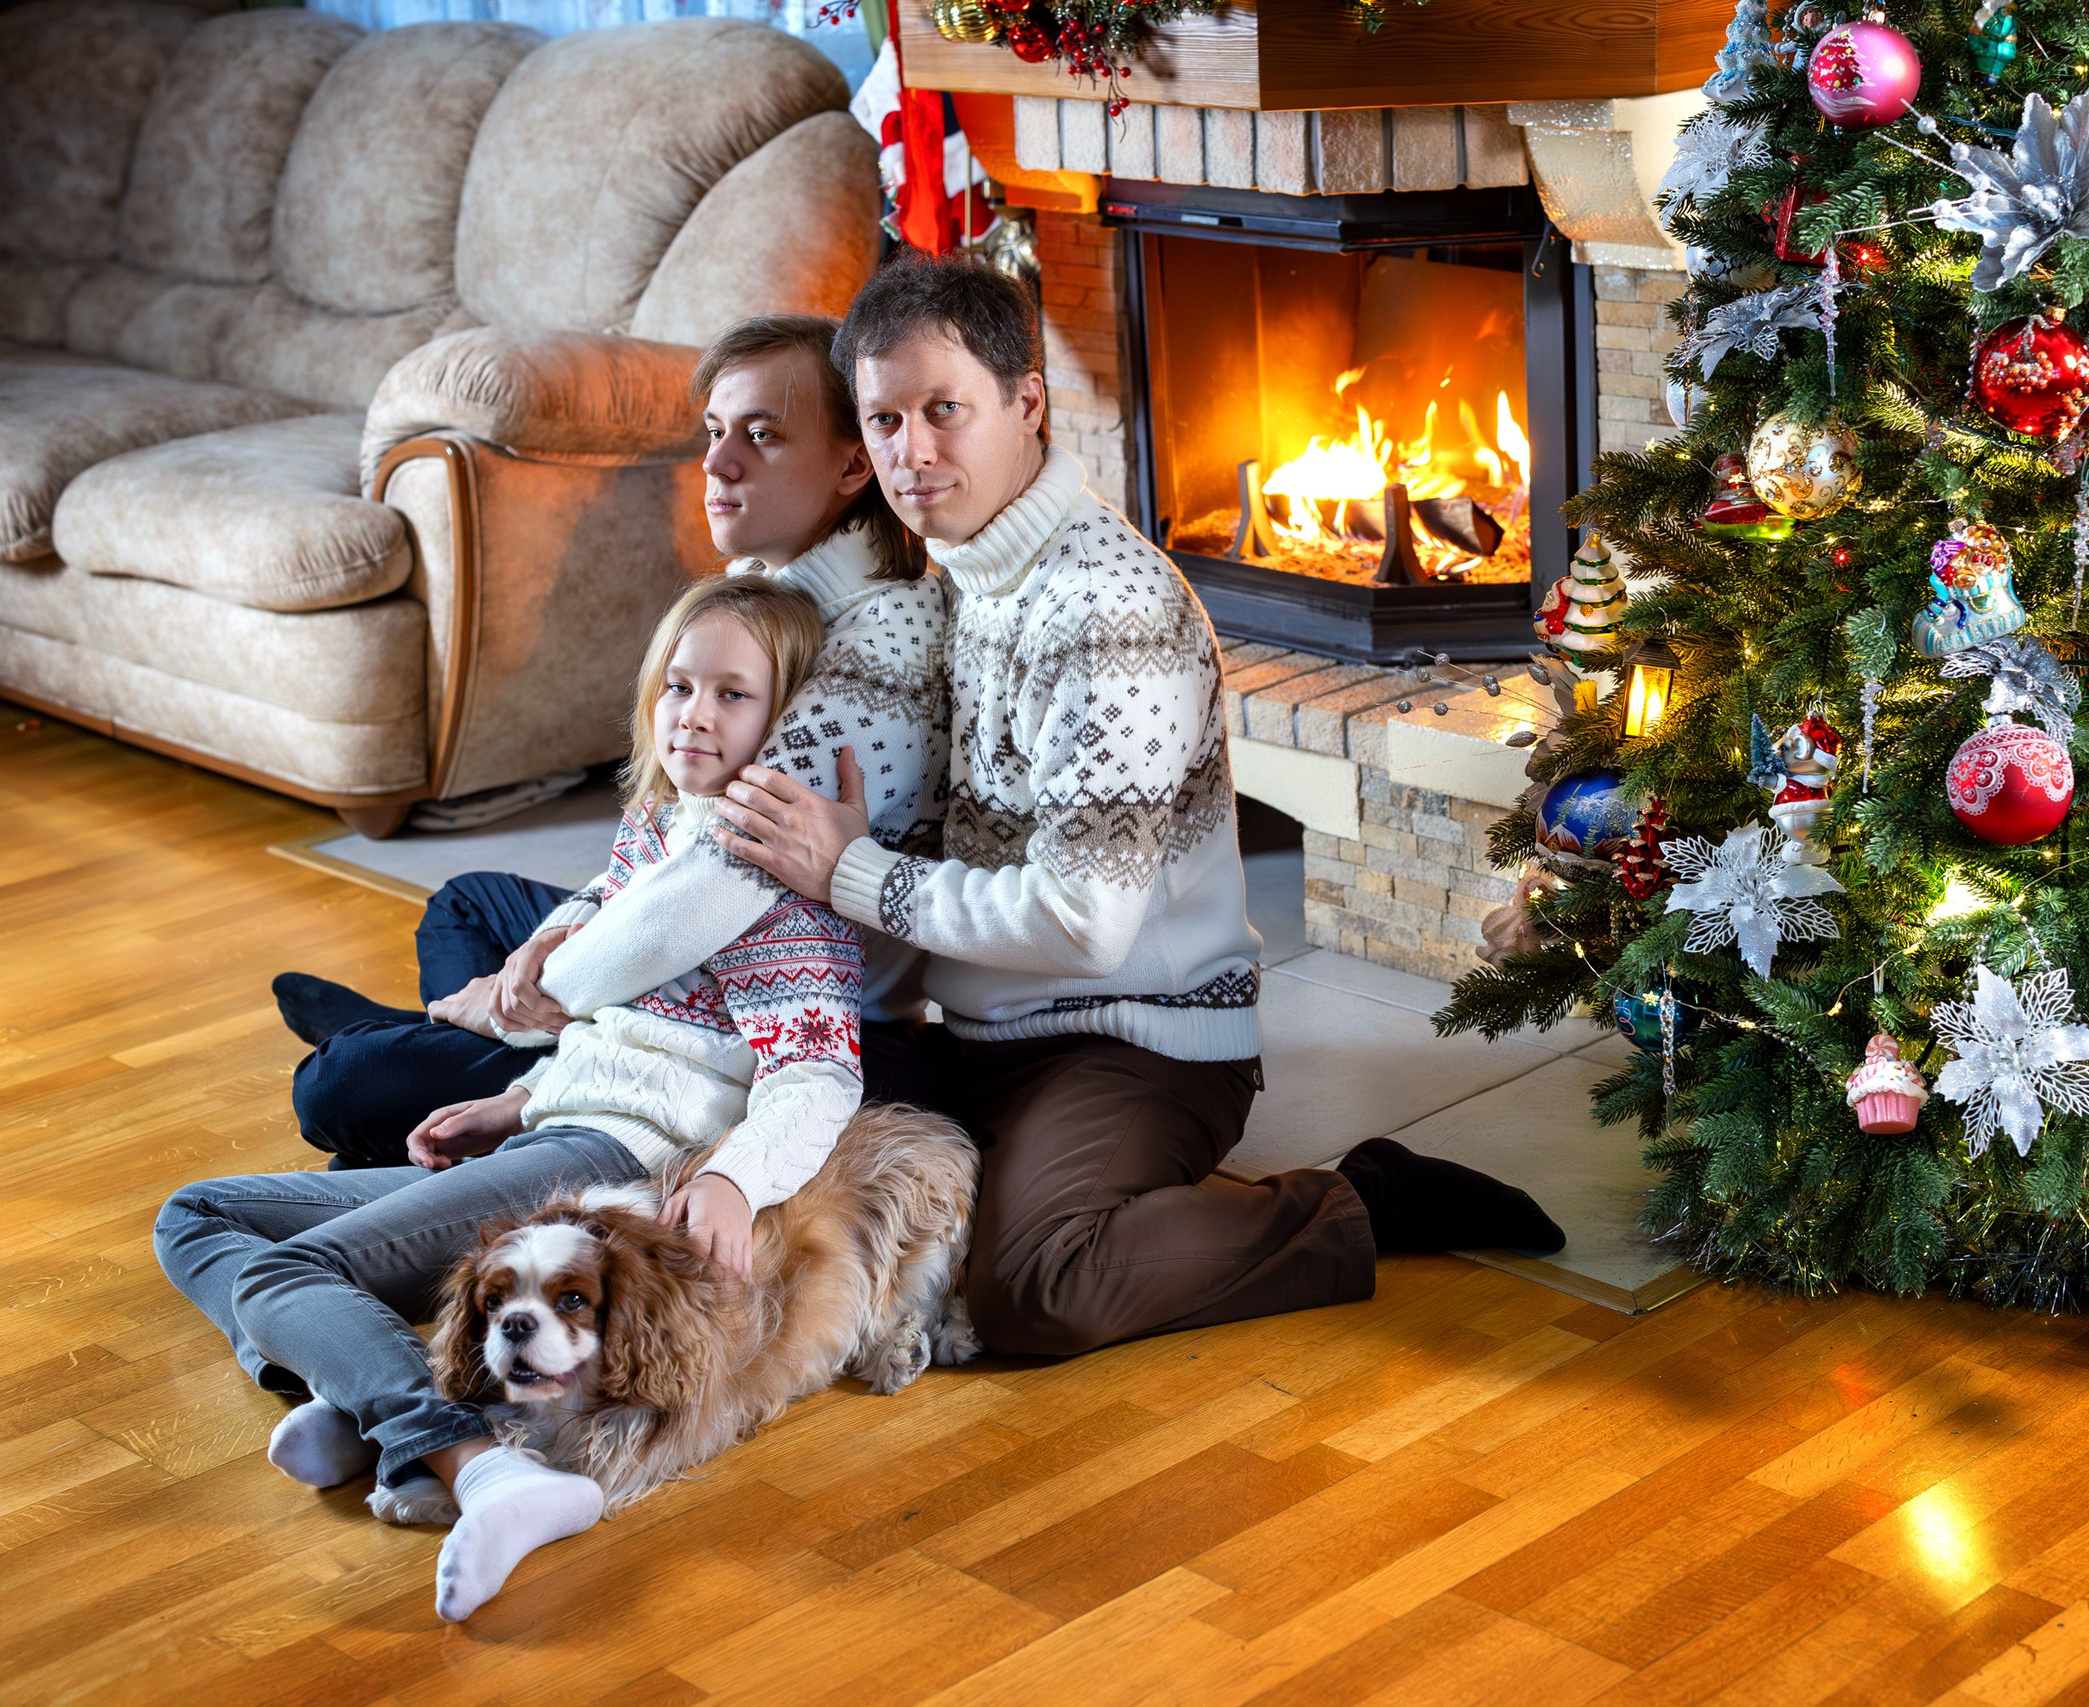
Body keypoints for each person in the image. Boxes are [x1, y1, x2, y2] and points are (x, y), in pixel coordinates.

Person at [705, 254, 1566, 1358]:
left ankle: (1358, 1203)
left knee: (1036, 1288)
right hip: (978, 1033)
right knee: (721, 1092)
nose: (910, 453)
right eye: (882, 420)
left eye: (943, 411)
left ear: (1026, 405)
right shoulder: (961, 580)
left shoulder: (1105, 612)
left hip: (1134, 1043)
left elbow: (1085, 924)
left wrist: (852, 871)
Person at [156, 576, 865, 1623]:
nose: (694, 716)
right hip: (554, 1129)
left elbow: (820, 1076)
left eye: (733, 696)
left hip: (603, 1168)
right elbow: (616, 1037)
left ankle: (468, 1460)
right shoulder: (654, 834)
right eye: (678, 687)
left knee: (291, 1264)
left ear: (787, 722)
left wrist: (729, 1175)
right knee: (197, 1214)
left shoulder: (773, 892)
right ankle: (350, 1395)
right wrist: (520, 1098)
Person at [274, 315, 946, 1166]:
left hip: (785, 1014)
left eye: (762, 436)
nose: (716, 463)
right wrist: (558, 933)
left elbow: (709, 891)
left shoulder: (882, 647)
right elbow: (665, 839)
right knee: (468, 904)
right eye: (714, 432)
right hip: (680, 964)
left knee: (335, 1087)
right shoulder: (765, 588)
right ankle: (446, 1053)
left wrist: (525, 995)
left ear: (854, 464)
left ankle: (434, 1055)